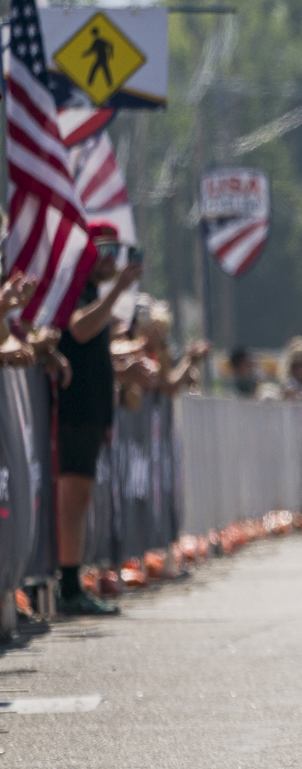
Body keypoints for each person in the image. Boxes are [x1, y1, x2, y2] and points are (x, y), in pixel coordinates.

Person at [55, 222, 144, 616]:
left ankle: (74, 578)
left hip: (91, 413)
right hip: (74, 409)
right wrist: (121, 290)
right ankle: (69, 585)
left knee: (82, 498)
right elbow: (79, 328)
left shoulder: (92, 293)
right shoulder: (76, 289)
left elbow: (96, 356)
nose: (111, 259)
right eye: (104, 249)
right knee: (73, 498)